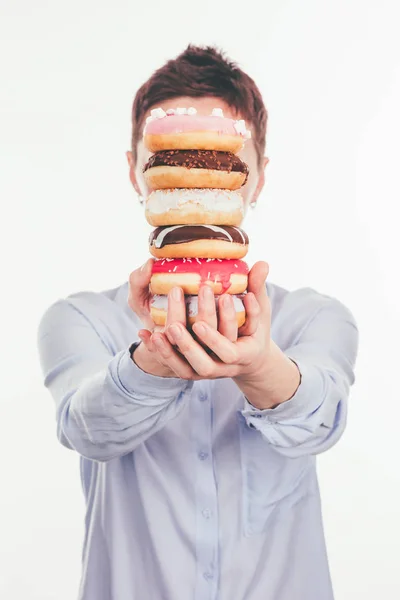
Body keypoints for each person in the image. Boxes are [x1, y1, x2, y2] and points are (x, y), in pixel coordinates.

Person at [37, 45, 359, 600]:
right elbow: (87, 430)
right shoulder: (79, 319)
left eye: (229, 163)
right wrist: (153, 362)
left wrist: (259, 364)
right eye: (170, 158)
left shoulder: (314, 317)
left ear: (257, 178)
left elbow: (321, 420)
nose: (200, 178)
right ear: (136, 173)